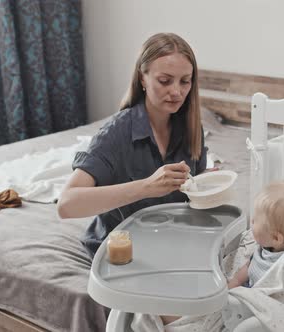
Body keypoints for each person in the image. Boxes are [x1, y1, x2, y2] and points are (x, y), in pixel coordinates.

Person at [57, 33, 208, 257]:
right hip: (120, 250)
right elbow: (66, 205)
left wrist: (206, 185)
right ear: (142, 79)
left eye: (185, 81)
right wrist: (147, 186)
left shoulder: (191, 127)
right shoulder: (116, 132)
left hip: (170, 241)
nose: (176, 92)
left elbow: (196, 190)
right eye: (165, 81)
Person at [161, 179, 284, 325]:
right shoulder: (267, 247)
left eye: (255, 221)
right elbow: (247, 268)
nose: (251, 223)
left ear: (276, 238)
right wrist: (232, 283)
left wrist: (232, 293)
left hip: (247, 309)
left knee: (192, 312)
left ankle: (173, 316)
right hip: (238, 290)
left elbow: (282, 299)